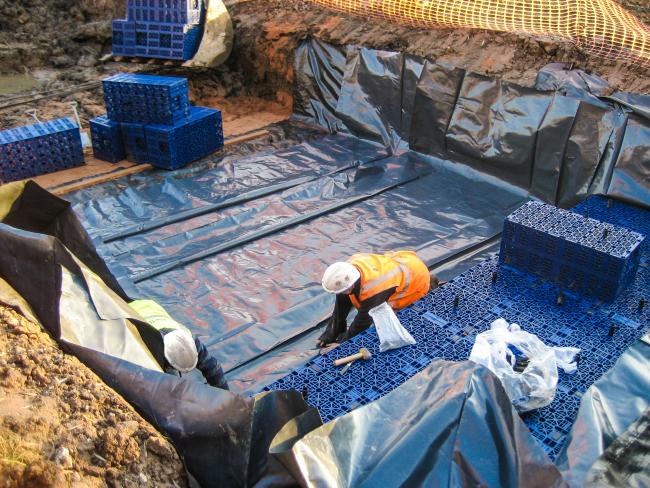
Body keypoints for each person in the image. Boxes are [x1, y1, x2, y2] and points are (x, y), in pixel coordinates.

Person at [318, 251, 439, 349]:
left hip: (416, 276)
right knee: (350, 296)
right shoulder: (349, 268)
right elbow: (342, 302)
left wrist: (341, 345)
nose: (340, 294)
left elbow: (362, 322)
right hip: (402, 261)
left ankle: (429, 285)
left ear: (351, 285)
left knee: (382, 311)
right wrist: (330, 333)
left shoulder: (376, 287)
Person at [129, 299, 229, 390]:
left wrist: (225, 396)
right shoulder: (145, 348)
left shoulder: (190, 340)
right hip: (127, 311)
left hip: (148, 306)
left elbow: (213, 367)